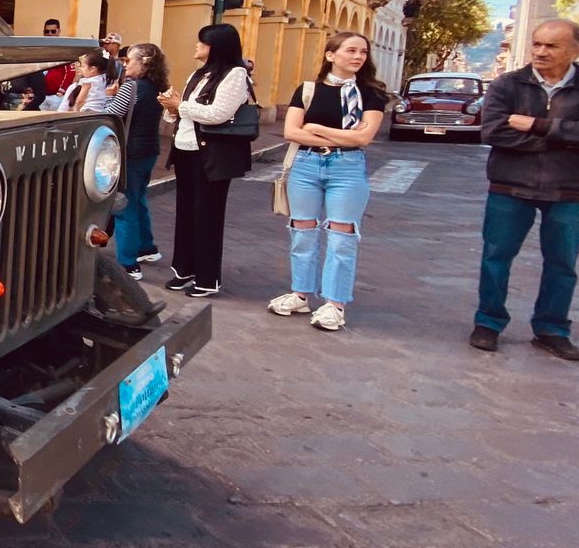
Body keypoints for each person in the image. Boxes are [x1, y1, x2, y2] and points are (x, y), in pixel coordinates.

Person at [471, 19, 579, 361]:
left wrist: (537, 125)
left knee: (562, 262)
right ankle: (488, 323)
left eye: (552, 46)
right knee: (496, 257)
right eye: (537, 44)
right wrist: (564, 140)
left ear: (575, 51)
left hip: (570, 188)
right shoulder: (507, 84)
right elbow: (494, 133)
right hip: (509, 184)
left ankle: (552, 329)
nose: (541, 52)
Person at [269, 31, 388, 332]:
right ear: (331, 55)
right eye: (351, 50)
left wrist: (318, 127)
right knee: (302, 231)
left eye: (363, 51)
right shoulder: (308, 90)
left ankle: (335, 304)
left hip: (347, 168)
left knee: (341, 236)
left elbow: (364, 138)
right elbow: (291, 132)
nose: (358, 56)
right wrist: (343, 136)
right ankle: (300, 294)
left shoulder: (372, 93)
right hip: (306, 165)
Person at [157, 23, 254, 297]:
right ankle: (184, 270)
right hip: (186, 149)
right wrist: (171, 108)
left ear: (216, 46)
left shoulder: (235, 74)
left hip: (211, 154)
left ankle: (207, 278)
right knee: (186, 213)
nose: (197, 46)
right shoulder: (198, 74)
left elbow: (218, 114)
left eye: (202, 42)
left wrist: (181, 105)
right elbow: (185, 112)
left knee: (207, 215)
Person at [106, 43, 168, 277]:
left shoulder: (130, 87)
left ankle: (128, 264)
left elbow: (111, 115)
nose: (125, 64)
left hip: (130, 152)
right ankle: (147, 247)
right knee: (139, 199)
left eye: (129, 60)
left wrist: (106, 97)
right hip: (149, 150)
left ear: (145, 62)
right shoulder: (156, 86)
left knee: (124, 206)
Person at [41, 18, 75, 109]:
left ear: (59, 31)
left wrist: (63, 90)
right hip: (41, 95)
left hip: (56, 96)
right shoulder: (40, 49)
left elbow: (70, 72)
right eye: (47, 31)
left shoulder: (65, 50)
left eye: (53, 31)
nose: (50, 34)